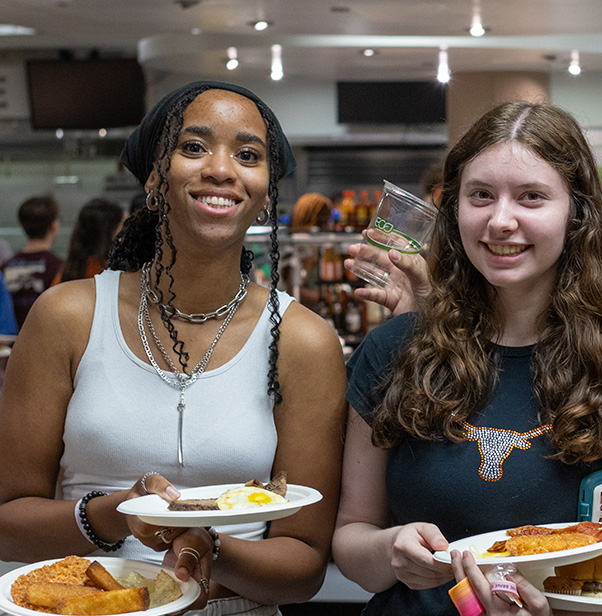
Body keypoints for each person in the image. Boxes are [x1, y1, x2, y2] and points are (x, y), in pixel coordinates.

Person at [332, 100, 602, 616]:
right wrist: (390, 551)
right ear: (454, 206)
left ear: (577, 213)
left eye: (531, 197)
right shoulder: (391, 351)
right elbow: (351, 541)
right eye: (480, 195)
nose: (501, 221)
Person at [0, 81, 346, 615]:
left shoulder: (303, 340)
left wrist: (208, 549)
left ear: (264, 191)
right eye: (194, 147)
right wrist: (113, 516)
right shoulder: (66, 316)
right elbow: (6, 522)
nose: (222, 169)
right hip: (82, 604)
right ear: (154, 179)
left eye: (248, 155)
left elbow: (303, 565)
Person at [1, 195, 63, 329]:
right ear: (53, 226)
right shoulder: (61, 267)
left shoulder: (5, 267)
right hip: (44, 341)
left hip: (9, 345)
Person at [58, 198, 127, 283]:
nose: (127, 232)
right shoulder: (112, 274)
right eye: (123, 225)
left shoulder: (68, 270)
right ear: (109, 231)